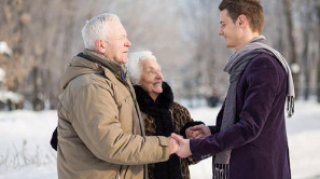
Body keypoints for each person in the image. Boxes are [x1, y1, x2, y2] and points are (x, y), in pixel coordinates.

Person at [171, 0, 295, 179]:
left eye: (223, 24)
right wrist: (211, 132)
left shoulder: (263, 65)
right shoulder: (247, 64)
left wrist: (194, 147)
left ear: (241, 21)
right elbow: (243, 122)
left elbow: (249, 128)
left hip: (257, 172)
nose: (219, 32)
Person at [56, 13, 179, 179]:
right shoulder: (90, 86)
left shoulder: (115, 79)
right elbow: (111, 144)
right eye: (122, 38)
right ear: (102, 45)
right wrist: (166, 146)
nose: (129, 43)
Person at [127, 51, 203, 179]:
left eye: (159, 70)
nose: (159, 76)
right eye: (151, 71)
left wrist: (193, 137)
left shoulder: (178, 110)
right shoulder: (129, 111)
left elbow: (191, 158)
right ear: (136, 79)